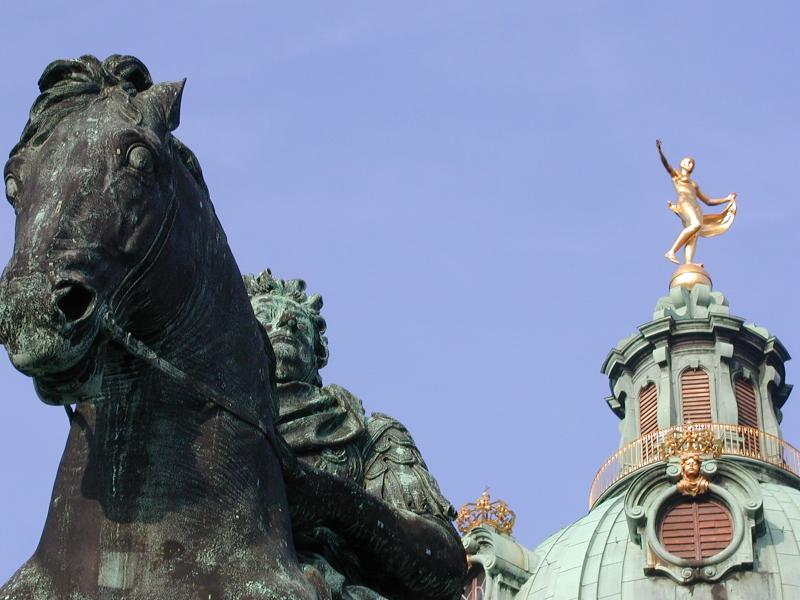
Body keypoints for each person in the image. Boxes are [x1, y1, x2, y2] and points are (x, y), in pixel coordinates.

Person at [244, 270, 465, 600]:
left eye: (296, 322)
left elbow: (444, 566)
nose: (284, 324)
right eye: (266, 317)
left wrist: (335, 501)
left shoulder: (369, 436)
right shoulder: (194, 420)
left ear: (318, 354)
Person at [657, 139, 737, 265]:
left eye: (693, 163)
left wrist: (726, 199)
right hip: (685, 203)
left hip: (696, 207)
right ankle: (671, 251)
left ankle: (688, 262)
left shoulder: (694, 184)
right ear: (682, 164)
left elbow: (708, 201)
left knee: (694, 234)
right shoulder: (677, 176)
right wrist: (660, 151)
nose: (691, 165)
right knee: (695, 225)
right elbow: (667, 165)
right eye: (689, 162)